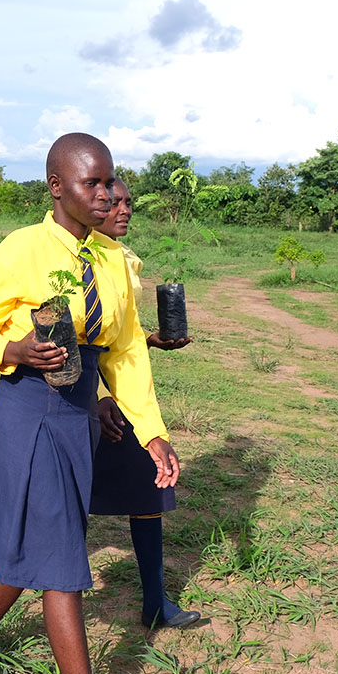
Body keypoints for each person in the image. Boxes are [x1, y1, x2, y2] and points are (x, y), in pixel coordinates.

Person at [0, 134, 177, 674]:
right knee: (63, 561)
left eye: (108, 181)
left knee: (34, 542)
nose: (105, 195)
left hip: (80, 412)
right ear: (56, 187)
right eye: (90, 184)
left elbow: (123, 351)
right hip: (30, 409)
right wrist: (14, 350)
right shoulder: (19, 251)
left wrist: (152, 432)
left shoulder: (112, 261)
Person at [89, 177, 201, 630]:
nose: (123, 210)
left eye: (127, 202)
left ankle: (155, 601)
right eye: (113, 202)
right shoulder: (79, 258)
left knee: (149, 490)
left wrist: (150, 340)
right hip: (85, 400)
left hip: (126, 398)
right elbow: (70, 338)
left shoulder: (122, 258)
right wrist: (97, 398)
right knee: (72, 503)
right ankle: (62, 607)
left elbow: (120, 340)